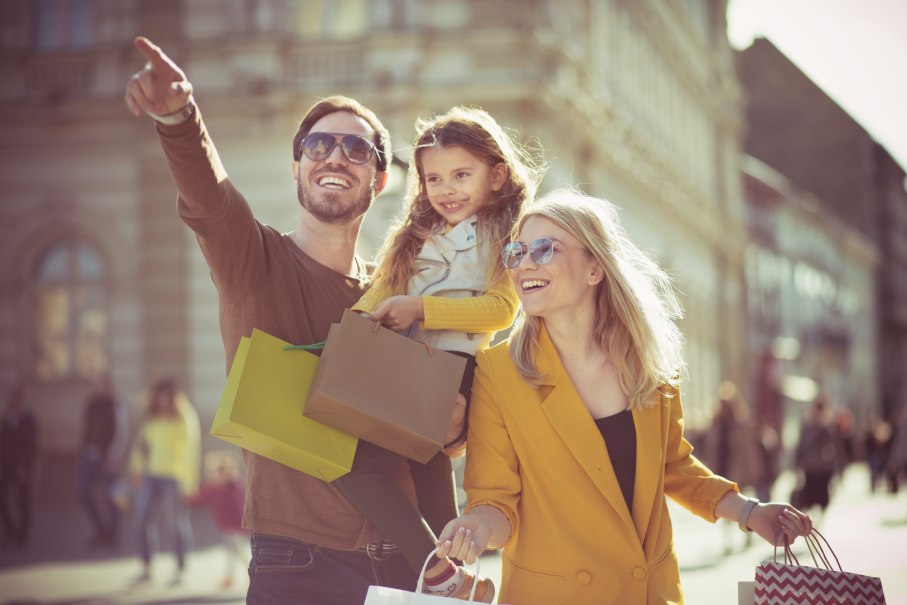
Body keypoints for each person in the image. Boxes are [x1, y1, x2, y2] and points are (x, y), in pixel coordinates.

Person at [124, 36, 466, 604]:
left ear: (380, 180)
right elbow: (210, 199)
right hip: (297, 566)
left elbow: (419, 434)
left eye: (356, 150)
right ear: (298, 167)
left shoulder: (399, 296)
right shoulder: (252, 261)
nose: (335, 157)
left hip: (409, 565)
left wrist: (453, 429)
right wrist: (179, 118)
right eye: (319, 144)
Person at [435, 189, 813, 604]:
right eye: (517, 251)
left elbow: (673, 466)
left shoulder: (648, 367)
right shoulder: (499, 372)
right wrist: (476, 528)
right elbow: (495, 498)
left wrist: (749, 511)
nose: (525, 262)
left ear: (595, 268)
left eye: (545, 249)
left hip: (649, 592)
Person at [341, 106, 542, 601]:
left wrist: (420, 309)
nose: (446, 189)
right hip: (404, 368)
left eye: (460, 175)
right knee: (426, 472)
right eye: (434, 178)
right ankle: (459, 578)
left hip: (452, 370)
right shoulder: (414, 236)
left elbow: (500, 310)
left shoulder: (506, 236)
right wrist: (356, 329)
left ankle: (436, 574)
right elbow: (378, 294)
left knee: (352, 466)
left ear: (496, 176)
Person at [128, 378, 201, 585]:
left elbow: (192, 450)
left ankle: (180, 569)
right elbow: (141, 446)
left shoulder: (185, 416)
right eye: (159, 396)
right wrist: (136, 469)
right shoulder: (152, 418)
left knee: (175, 522)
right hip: (151, 475)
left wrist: (190, 483)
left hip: (175, 477)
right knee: (141, 518)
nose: (163, 400)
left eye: (167, 396)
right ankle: (146, 567)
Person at [77, 374, 127, 548]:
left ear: (108, 386)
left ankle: (113, 536)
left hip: (107, 458)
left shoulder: (115, 405)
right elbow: (86, 430)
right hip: (89, 457)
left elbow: (121, 432)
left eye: (100, 385)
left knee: (111, 497)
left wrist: (114, 455)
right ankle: (101, 531)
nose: (97, 388)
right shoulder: (91, 405)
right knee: (83, 493)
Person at [187, 449, 248, 589]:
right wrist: (188, 498)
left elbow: (241, 504)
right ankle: (232, 577)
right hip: (226, 526)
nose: (216, 475)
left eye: (221, 472)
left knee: (236, 551)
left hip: (236, 526)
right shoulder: (215, 488)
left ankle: (242, 574)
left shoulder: (235, 485)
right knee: (233, 552)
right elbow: (201, 498)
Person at [793, 392, 843, 520]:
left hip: (819, 468)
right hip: (815, 467)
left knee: (819, 497)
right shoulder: (816, 427)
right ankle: (812, 520)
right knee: (812, 497)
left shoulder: (825, 428)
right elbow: (801, 448)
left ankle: (815, 520)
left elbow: (835, 449)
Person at [0, 387, 38, 550]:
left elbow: (31, 446)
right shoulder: (6, 420)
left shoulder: (28, 420)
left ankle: (22, 536)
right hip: (6, 465)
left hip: (22, 466)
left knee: (23, 501)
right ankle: (11, 531)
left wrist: (24, 466)